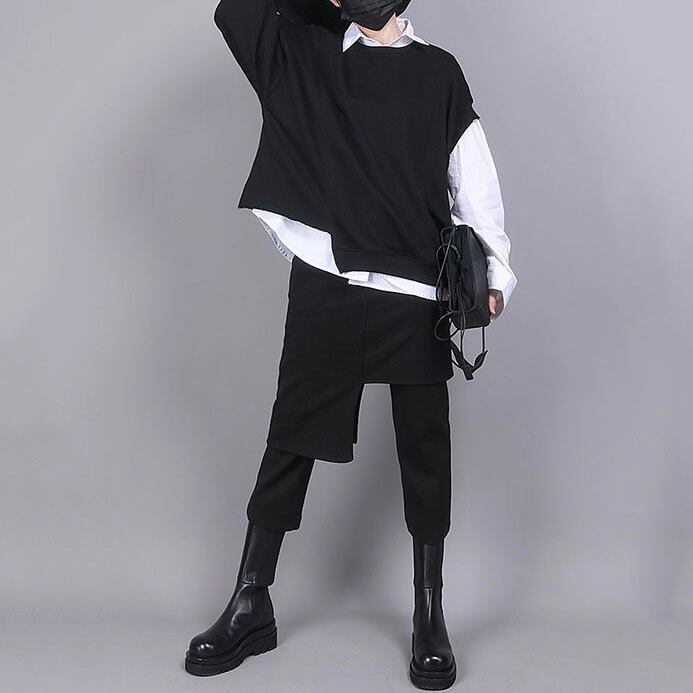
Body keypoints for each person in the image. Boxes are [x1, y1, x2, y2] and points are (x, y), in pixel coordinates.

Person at [184, 1, 517, 689]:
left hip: (416, 288)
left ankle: (429, 612)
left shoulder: (438, 73)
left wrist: (494, 273)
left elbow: (474, 181)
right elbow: (238, 10)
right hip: (328, 278)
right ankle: (251, 598)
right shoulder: (302, 52)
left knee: (425, 448)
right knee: (291, 437)